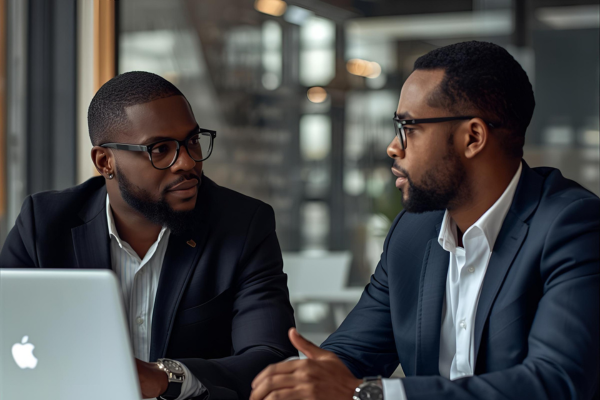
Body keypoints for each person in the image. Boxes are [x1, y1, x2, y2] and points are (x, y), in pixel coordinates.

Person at [250, 41, 599, 400]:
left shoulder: (573, 226)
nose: (393, 146)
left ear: (473, 137)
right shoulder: (413, 233)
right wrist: (304, 381)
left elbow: (555, 383)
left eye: (408, 127)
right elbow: (351, 355)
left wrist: (368, 393)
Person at [0, 71, 297, 400]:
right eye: (159, 149)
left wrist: (166, 377)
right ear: (105, 161)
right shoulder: (44, 224)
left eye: (192, 141)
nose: (186, 162)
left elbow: (272, 361)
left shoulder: (242, 225)